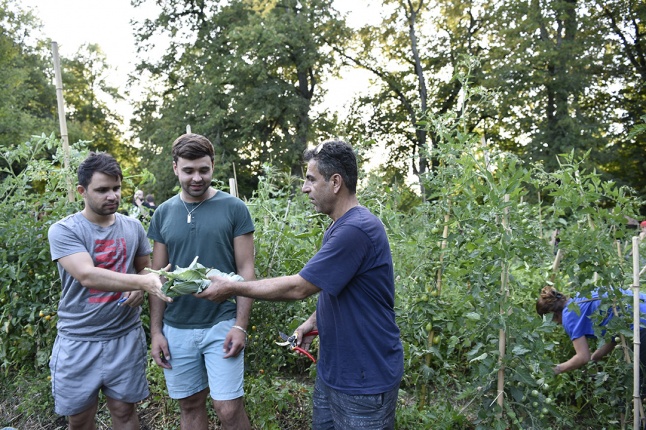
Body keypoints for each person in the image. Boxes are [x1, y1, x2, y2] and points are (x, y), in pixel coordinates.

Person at [201, 139, 404, 429]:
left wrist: (232, 287)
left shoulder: (357, 229)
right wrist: (313, 320)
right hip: (336, 374)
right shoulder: (339, 226)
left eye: (311, 179)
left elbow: (299, 287)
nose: (304, 188)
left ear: (335, 182)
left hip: (364, 379)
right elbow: (338, 288)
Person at [47, 152, 172, 430]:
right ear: (82, 191)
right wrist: (141, 283)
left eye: (116, 188)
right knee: (79, 420)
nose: (112, 196)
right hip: (78, 340)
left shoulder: (133, 227)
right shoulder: (64, 230)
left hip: (124, 337)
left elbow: (145, 269)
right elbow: (86, 275)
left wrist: (142, 282)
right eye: (102, 190)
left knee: (125, 413)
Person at [147, 133, 255, 430]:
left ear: (213, 166)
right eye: (188, 170)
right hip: (177, 326)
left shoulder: (234, 208)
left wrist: (240, 325)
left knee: (229, 408)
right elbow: (157, 277)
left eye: (204, 170)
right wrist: (156, 331)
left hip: (221, 322)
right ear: (175, 168)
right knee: (191, 405)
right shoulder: (163, 213)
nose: (197, 177)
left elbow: (246, 271)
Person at [536, 286, 646, 392]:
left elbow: (583, 357)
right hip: (642, 310)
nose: (556, 324)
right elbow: (613, 336)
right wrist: (595, 357)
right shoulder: (580, 298)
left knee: (638, 385)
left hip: (641, 325)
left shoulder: (569, 317)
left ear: (552, 315)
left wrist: (557, 369)